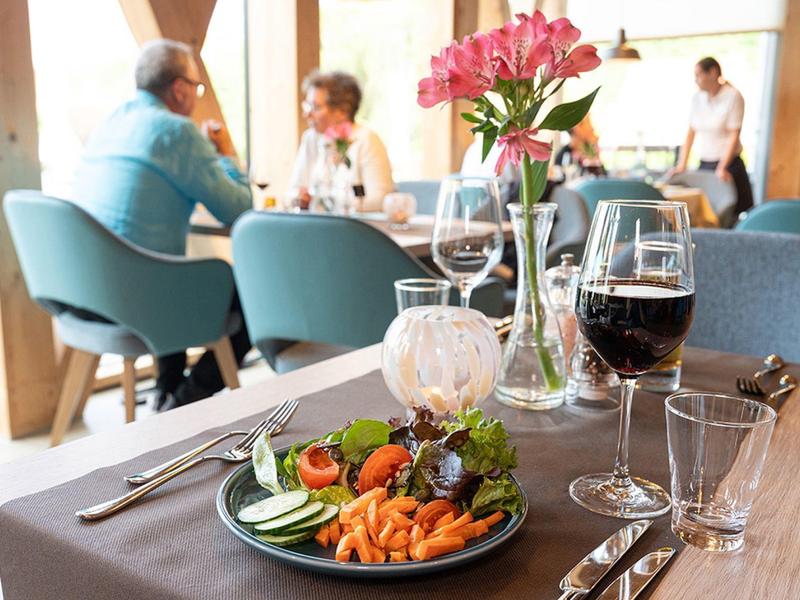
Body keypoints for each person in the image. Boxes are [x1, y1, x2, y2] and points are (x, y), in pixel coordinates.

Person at [72, 39, 253, 411]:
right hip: (135, 298)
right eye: (197, 87)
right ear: (180, 89)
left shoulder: (111, 122)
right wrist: (225, 152)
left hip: (82, 291)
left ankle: (166, 394)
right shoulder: (178, 132)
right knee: (256, 295)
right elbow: (238, 206)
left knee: (172, 271)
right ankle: (181, 407)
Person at [287, 70, 393, 212]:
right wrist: (299, 197)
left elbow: (380, 199)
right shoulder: (311, 138)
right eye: (307, 105)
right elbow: (292, 192)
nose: (307, 114)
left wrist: (327, 202)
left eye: (316, 107)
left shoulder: (367, 140)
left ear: (342, 111)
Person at [673, 56, 753, 214]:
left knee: (732, 214)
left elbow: (734, 134)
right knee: (705, 212)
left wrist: (722, 167)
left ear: (713, 72)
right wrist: (682, 165)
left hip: (728, 165)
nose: (696, 80)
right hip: (705, 164)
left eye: (698, 75)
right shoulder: (698, 98)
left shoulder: (733, 96)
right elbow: (691, 133)